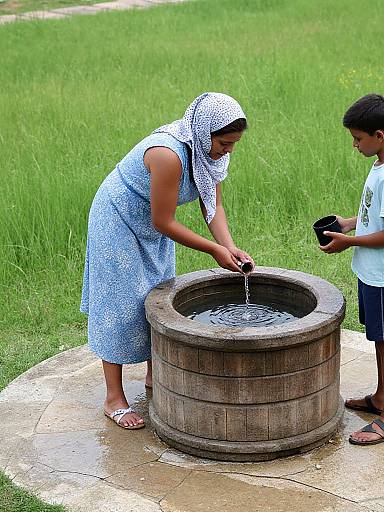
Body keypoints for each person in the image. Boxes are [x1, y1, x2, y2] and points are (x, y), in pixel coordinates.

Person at [80, 92, 254, 430]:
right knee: (120, 304)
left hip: (151, 224)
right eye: (225, 142)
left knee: (155, 296)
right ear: (205, 133)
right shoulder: (168, 154)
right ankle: (114, 398)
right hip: (118, 221)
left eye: (234, 143)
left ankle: (153, 375)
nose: (229, 150)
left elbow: (212, 206)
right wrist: (214, 251)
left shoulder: (211, 154)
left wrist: (230, 246)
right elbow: (164, 221)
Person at [320, 93, 384, 445]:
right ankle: (380, 399)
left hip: (382, 273)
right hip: (374, 271)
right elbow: (378, 216)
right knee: (379, 336)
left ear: (379, 135)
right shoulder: (383, 167)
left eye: (358, 139)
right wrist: (348, 223)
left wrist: (349, 243)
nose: (355, 145)